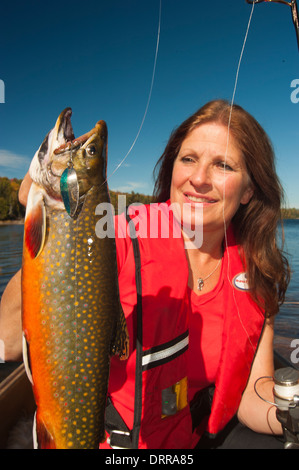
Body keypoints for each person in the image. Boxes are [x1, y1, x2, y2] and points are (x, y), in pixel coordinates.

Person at [0, 99, 290, 449]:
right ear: (173, 169)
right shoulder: (114, 239)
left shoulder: (256, 272)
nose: (199, 178)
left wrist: (288, 413)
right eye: (189, 159)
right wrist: (58, 243)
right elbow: (9, 343)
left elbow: (251, 397)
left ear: (248, 191)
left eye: (223, 165)